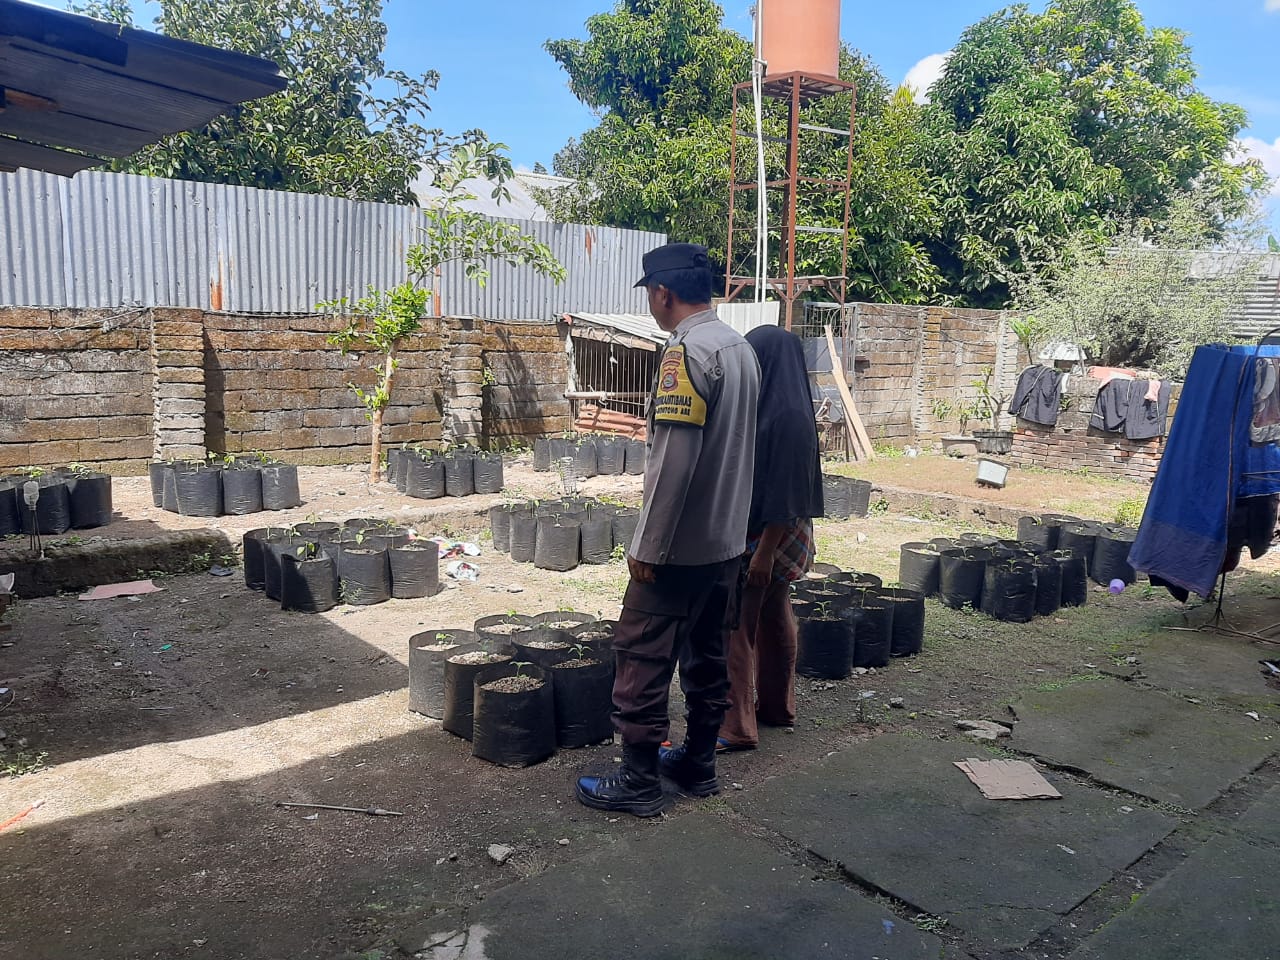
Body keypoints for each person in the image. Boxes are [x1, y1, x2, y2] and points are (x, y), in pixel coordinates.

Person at [576, 242, 760, 817]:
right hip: (726, 544)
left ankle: (638, 781)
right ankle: (698, 764)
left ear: (661, 293)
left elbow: (673, 462)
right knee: (708, 657)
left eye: (651, 295)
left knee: (642, 657)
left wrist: (647, 547)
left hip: (680, 549)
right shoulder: (740, 348)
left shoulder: (686, 354)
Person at [718, 326, 823, 750]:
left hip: (768, 535)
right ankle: (778, 708)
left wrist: (763, 554)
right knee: (775, 614)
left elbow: (783, 493)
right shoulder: (791, 406)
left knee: (736, 627)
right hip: (785, 533)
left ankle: (737, 727)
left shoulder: (785, 417)